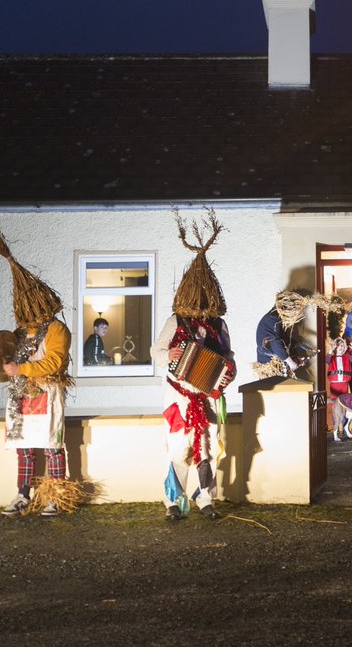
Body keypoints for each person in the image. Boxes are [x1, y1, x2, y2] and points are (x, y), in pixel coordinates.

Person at [0, 224, 74, 518]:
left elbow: (54, 362)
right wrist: (8, 368)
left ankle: (55, 495)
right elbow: (5, 359)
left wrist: (22, 368)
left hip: (48, 393)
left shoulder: (57, 329)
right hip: (21, 396)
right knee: (24, 446)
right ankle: (22, 494)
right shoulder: (20, 332)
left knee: (51, 444)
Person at [150, 210, 236, 522]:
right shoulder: (176, 321)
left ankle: (206, 499)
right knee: (177, 448)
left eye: (205, 296)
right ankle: (173, 501)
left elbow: (229, 358)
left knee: (209, 448)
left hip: (209, 396)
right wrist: (169, 355)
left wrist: (226, 375)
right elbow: (155, 351)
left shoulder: (219, 325)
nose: (201, 301)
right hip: (179, 396)